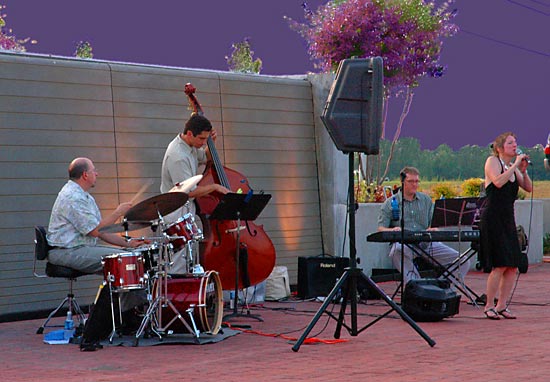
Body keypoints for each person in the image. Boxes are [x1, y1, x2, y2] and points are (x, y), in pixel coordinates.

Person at [47, 157, 147, 315]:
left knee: (130, 256)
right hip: (66, 251)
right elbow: (95, 231)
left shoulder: (84, 196)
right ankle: (124, 315)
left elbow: (101, 231)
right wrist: (118, 213)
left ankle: (121, 313)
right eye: (94, 170)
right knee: (125, 262)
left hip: (78, 247)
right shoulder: (73, 197)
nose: (97, 174)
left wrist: (128, 244)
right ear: (85, 175)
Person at [377, 166, 471, 286]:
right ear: (402, 182)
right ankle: (416, 286)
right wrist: (393, 230)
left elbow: (434, 222)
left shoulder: (426, 200)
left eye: (417, 181)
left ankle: (441, 288)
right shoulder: (390, 203)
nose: (415, 185)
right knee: (396, 251)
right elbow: (380, 228)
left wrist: (433, 228)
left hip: (426, 242)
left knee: (463, 261)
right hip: (405, 243)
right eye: (411, 181)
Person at [160, 114, 230, 274]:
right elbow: (187, 192)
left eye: (206, 139)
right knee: (178, 261)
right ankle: (177, 293)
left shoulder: (190, 146)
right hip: (175, 210)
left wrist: (213, 143)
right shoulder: (178, 156)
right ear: (189, 133)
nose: (203, 143)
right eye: (201, 139)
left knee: (189, 257)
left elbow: (206, 157)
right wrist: (214, 187)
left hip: (185, 210)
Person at [480, 132, 532, 320]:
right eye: (510, 143)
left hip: (508, 218)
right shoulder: (493, 161)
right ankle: (489, 305)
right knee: (499, 264)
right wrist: (515, 165)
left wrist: (523, 170)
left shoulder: (513, 168)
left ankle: (502, 305)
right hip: (493, 217)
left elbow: (528, 188)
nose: (514, 145)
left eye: (515, 142)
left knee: (512, 265)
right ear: (500, 148)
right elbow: (498, 182)